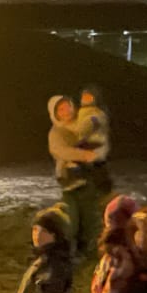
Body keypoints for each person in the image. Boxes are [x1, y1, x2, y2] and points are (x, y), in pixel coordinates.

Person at [46, 94, 104, 248]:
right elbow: (60, 151)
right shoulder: (56, 132)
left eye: (68, 106)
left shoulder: (80, 125)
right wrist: (83, 155)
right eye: (61, 109)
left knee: (90, 212)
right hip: (69, 178)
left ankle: (88, 245)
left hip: (87, 177)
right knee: (72, 212)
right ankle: (70, 245)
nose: (66, 111)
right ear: (55, 113)